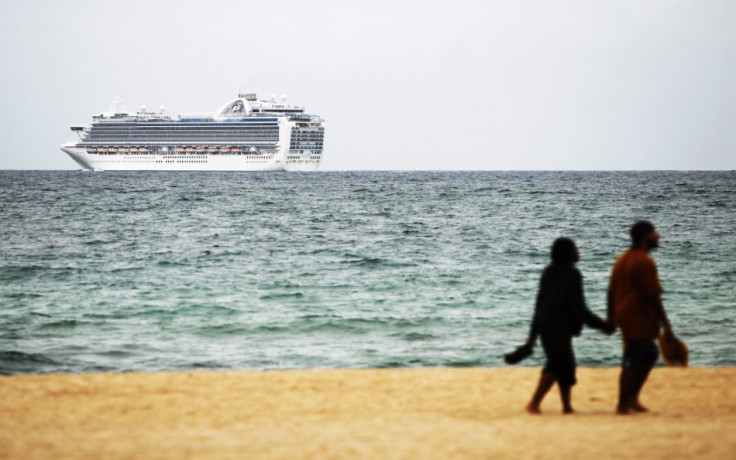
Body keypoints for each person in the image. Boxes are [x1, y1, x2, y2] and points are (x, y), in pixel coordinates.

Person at [525, 237, 613, 414]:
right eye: (575, 249)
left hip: (545, 325)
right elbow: (579, 308)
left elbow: (539, 302)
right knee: (558, 364)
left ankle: (566, 406)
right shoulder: (572, 274)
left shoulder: (548, 271)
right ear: (568, 253)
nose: (578, 252)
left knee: (564, 365)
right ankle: (534, 404)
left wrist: (534, 332)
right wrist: (602, 325)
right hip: (558, 327)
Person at [607, 220, 674, 414]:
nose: (658, 235)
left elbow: (610, 291)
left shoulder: (623, 258)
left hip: (625, 315)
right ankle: (623, 404)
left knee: (642, 355)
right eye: (654, 232)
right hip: (638, 317)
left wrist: (611, 316)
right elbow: (654, 296)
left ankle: (631, 399)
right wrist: (666, 324)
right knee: (636, 359)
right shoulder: (644, 261)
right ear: (645, 236)